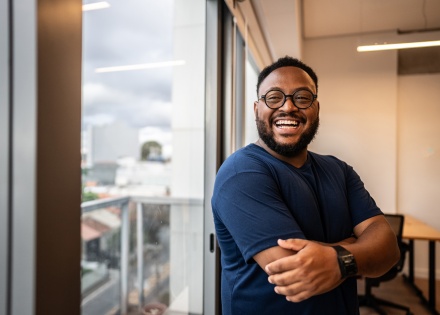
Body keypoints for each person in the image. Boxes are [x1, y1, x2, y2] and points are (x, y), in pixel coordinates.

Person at [211, 56, 400, 314]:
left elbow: (388, 249)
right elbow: (295, 270)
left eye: (302, 97)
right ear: (257, 109)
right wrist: (357, 247)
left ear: (317, 108)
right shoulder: (241, 173)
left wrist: (335, 260)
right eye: (274, 97)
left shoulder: (339, 170)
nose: (288, 107)